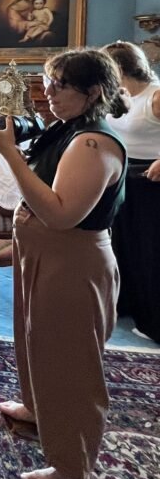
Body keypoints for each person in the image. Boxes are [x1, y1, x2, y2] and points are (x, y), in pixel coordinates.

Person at [0, 48, 128, 479]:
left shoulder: (94, 144)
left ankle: (72, 471)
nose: (47, 93)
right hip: (43, 253)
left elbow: (61, 214)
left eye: (59, 85)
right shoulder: (69, 129)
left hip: (73, 261)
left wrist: (10, 156)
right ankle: (36, 408)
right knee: (34, 339)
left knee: (70, 366)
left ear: (94, 92)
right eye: (46, 82)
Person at [103, 41, 160, 342]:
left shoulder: (156, 95)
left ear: (120, 69)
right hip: (122, 174)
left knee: (148, 249)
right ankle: (125, 303)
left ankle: (154, 320)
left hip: (152, 180)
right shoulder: (119, 95)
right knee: (120, 244)